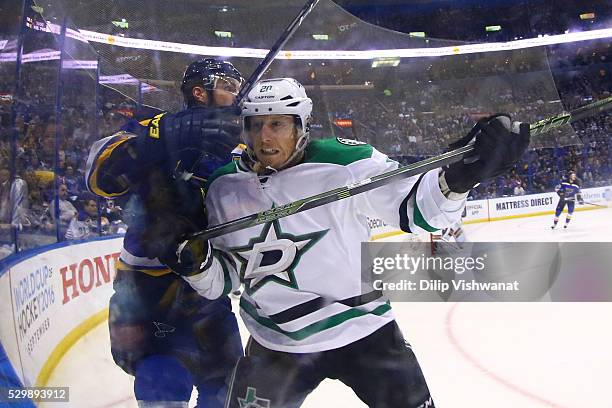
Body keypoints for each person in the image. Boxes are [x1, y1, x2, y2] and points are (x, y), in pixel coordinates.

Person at [161, 78, 531, 407]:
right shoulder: (223, 187)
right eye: (255, 125)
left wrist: (466, 172)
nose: (265, 137)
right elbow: (223, 280)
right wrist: (196, 262)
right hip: (276, 346)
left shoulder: (349, 163)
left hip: (366, 332)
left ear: (301, 126)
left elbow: (421, 212)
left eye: (277, 124)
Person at [85, 58, 246, 408]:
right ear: (201, 91)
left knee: (228, 388)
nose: (238, 96)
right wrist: (170, 135)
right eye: (230, 88)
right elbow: (98, 177)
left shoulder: (241, 148)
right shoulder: (153, 127)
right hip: (146, 291)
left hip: (208, 292)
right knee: (162, 381)